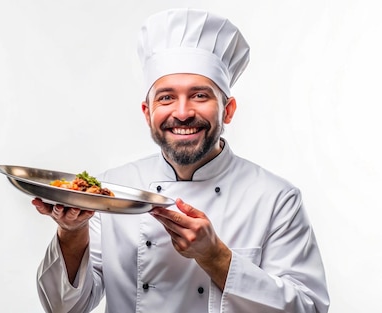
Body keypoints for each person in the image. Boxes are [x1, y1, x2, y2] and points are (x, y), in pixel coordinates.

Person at [31, 8, 330, 313]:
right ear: (148, 113)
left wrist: (216, 257)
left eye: (200, 96)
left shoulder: (276, 198)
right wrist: (71, 233)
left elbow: (309, 308)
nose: (183, 112)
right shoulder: (112, 190)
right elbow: (63, 308)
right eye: (166, 97)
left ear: (227, 110)